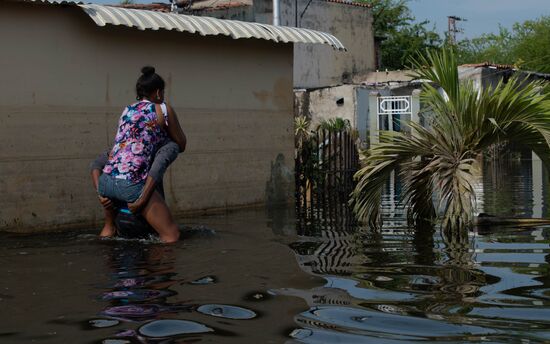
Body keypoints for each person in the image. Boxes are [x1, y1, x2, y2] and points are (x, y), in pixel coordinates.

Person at [91, 66, 186, 243]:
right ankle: (157, 269)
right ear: (158, 92)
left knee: (109, 232)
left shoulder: (127, 110)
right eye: (163, 92)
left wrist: (100, 192)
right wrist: (141, 200)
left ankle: (108, 233)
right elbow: (181, 143)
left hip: (106, 182)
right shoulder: (163, 109)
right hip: (131, 185)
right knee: (171, 235)